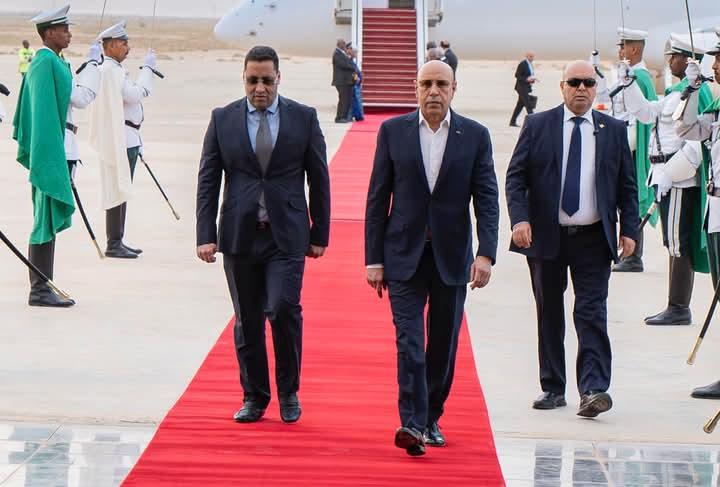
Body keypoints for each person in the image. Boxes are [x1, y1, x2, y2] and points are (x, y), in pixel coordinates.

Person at [365, 60, 499, 456]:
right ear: (416, 87)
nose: (434, 91)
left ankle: (430, 418)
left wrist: (486, 254)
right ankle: (411, 422)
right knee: (409, 342)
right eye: (426, 84)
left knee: (442, 344)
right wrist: (373, 258)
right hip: (402, 256)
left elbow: (487, 199)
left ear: (454, 89)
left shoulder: (475, 135)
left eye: (442, 84)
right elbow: (377, 197)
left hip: (452, 258)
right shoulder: (393, 132)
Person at [196, 45, 330, 424]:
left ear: (278, 79)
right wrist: (205, 233)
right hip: (239, 236)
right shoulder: (222, 119)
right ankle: (254, 396)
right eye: (253, 80)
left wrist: (320, 232)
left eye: (267, 81)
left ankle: (288, 392)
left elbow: (319, 178)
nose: (260, 88)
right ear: (243, 78)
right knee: (248, 319)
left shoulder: (303, 118)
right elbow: (208, 180)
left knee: (284, 310)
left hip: (286, 236)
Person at [505, 60, 639, 418]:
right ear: (562, 86)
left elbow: (627, 185)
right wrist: (520, 219)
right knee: (549, 311)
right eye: (574, 82)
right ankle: (552, 387)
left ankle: (593, 389)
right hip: (546, 236)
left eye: (588, 83)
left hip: (594, 238)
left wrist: (630, 229)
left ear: (596, 89)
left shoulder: (613, 130)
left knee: (591, 311)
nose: (582, 88)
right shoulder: (538, 125)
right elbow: (516, 177)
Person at [618, 35, 713, 326]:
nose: (669, 61)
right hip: (665, 175)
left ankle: (678, 307)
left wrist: (671, 174)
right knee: (673, 242)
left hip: (680, 178)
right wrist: (629, 85)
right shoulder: (675, 93)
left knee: (679, 242)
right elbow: (647, 113)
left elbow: (696, 143)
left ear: (687, 60)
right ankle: (675, 305)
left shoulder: (697, 92)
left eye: (674, 56)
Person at [12, 4, 101, 307]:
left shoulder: (52, 61)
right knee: (44, 220)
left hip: (60, 148)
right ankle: (39, 289)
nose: (69, 34)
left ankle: (43, 286)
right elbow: (79, 98)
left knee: (46, 220)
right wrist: (93, 66)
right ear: (49, 33)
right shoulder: (46, 61)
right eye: (64, 30)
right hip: (54, 150)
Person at [88, 21, 158, 259]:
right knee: (118, 189)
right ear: (111, 46)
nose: (128, 47)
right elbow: (134, 94)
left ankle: (117, 239)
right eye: (124, 43)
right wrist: (147, 70)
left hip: (128, 137)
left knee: (121, 189)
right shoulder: (112, 71)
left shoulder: (111, 69)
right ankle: (114, 242)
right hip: (123, 140)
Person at [675, 33, 720, 399]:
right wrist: (690, 91)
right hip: (715, 209)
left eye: (719, 59)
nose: (714, 65)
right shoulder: (717, 106)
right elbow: (686, 128)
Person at [611, 28, 657, 273]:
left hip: (632, 150)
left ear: (634, 49)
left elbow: (640, 121)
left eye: (623, 46)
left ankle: (633, 256)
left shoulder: (639, 77)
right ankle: (630, 255)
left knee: (632, 202)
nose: (620, 50)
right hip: (626, 145)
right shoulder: (632, 75)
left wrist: (619, 147)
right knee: (626, 202)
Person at [510, 52, 537, 127]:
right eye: (530, 56)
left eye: (533, 56)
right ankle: (534, 122)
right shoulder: (523, 64)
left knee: (520, 105)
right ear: (526, 56)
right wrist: (526, 79)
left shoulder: (530, 64)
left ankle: (512, 121)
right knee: (528, 105)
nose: (532, 58)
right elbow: (517, 75)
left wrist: (532, 80)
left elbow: (529, 75)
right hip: (521, 87)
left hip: (526, 87)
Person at [331, 39, 355, 123]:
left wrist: (350, 58)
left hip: (346, 81)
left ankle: (344, 116)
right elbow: (343, 65)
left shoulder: (342, 53)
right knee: (343, 100)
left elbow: (348, 63)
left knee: (347, 100)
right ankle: (339, 117)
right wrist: (352, 66)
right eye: (344, 44)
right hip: (341, 81)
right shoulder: (337, 54)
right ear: (340, 45)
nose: (345, 45)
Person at [348, 47, 364, 122]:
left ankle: (358, 115)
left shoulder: (352, 61)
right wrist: (357, 79)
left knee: (356, 101)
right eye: (355, 53)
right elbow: (353, 72)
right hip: (354, 84)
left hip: (356, 84)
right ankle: (355, 115)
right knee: (354, 101)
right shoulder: (350, 61)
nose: (356, 54)